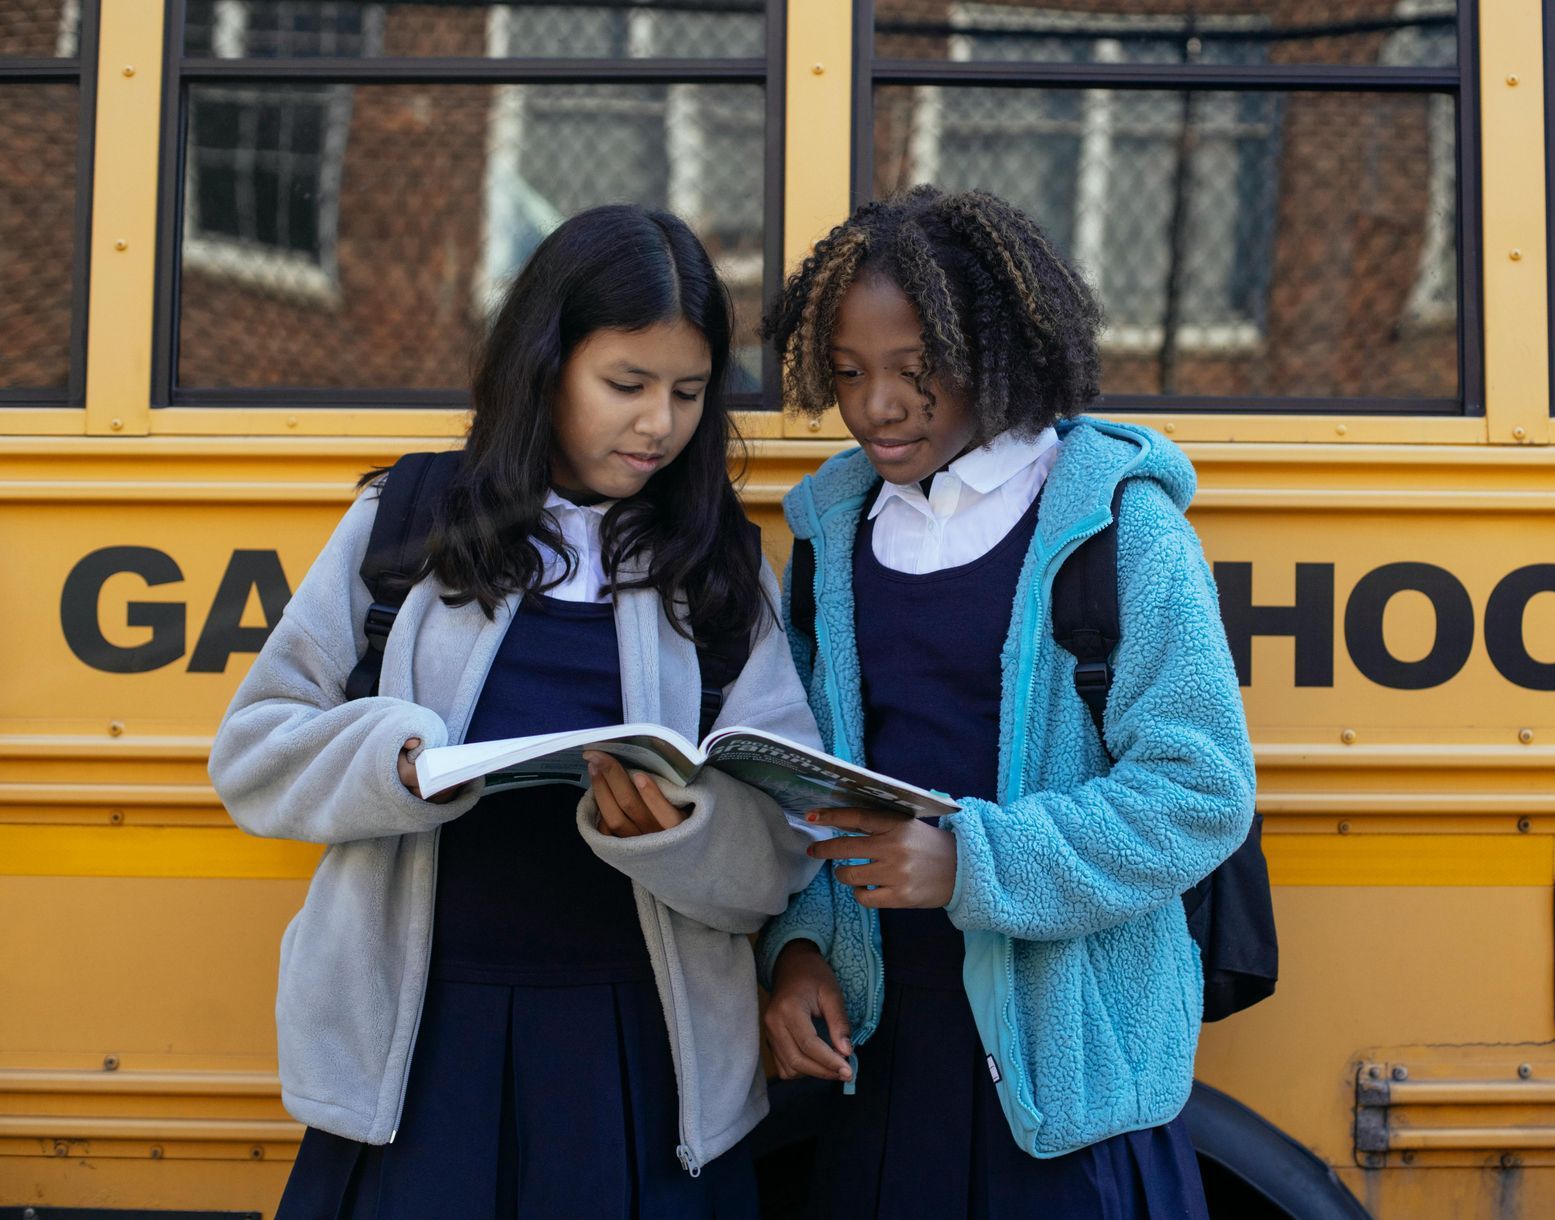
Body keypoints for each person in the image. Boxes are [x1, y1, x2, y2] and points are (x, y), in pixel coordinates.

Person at [208, 205, 820, 1218]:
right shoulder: (404, 524)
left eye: (688, 392)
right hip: (418, 1047)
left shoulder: (720, 568)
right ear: (544, 365)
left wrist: (685, 831)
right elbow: (254, 751)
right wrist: (396, 763)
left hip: (645, 1054)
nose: (658, 423)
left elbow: (785, 841)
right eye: (625, 385)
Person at [758, 186, 1255, 1219]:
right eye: (847, 373)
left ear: (997, 352)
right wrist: (801, 946)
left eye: (914, 371)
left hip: (1064, 1077)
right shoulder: (831, 541)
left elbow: (1199, 789)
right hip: (886, 1057)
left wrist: (968, 861)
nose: (876, 406)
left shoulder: (1120, 531)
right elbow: (804, 786)